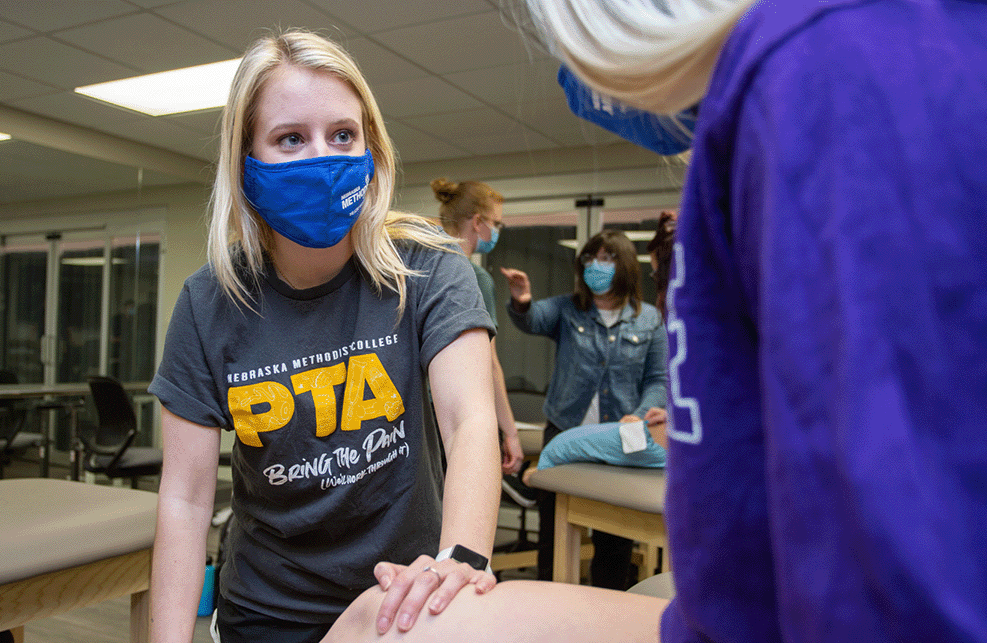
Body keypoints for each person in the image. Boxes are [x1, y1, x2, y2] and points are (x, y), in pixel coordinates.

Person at [322, 0, 987, 641]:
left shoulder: (815, 64)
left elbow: (900, 546)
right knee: (369, 618)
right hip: (732, 602)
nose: (570, 74)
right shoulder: (747, 116)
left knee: (377, 624)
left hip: (775, 613)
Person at [147, 29, 502, 643]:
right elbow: (184, 499)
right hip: (265, 613)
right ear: (247, 162)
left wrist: (461, 561)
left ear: (371, 146)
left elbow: (469, 420)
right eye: (291, 139)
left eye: (343, 134)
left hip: (404, 604)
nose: (323, 156)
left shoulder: (430, 267)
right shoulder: (208, 303)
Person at [501, 228, 668, 589]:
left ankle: (607, 608)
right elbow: (532, 318)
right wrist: (522, 300)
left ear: (623, 265)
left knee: (614, 534)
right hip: (564, 432)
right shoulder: (567, 309)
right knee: (554, 528)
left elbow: (658, 379)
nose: (597, 266)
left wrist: (642, 413)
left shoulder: (649, 319)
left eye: (606, 258)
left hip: (617, 439)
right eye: (590, 259)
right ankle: (548, 604)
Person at [431, 178, 526, 481]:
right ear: (477, 222)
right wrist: (510, 432)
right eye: (495, 223)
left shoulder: (417, 265)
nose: (496, 231)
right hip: (453, 416)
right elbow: (489, 365)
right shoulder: (473, 277)